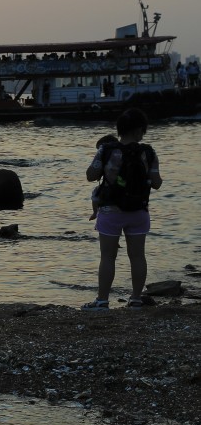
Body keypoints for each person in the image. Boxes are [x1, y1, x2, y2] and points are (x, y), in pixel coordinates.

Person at [82, 108, 162, 311]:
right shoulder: (149, 152)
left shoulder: (107, 150)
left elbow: (91, 175)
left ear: (120, 129)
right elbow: (157, 183)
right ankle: (135, 299)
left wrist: (107, 170)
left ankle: (102, 301)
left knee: (108, 256)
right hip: (139, 212)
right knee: (137, 256)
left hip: (110, 211)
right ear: (138, 130)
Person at [88, 134, 119, 220]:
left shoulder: (105, 153)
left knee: (96, 193)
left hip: (110, 193)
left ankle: (95, 212)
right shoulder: (123, 153)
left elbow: (90, 177)